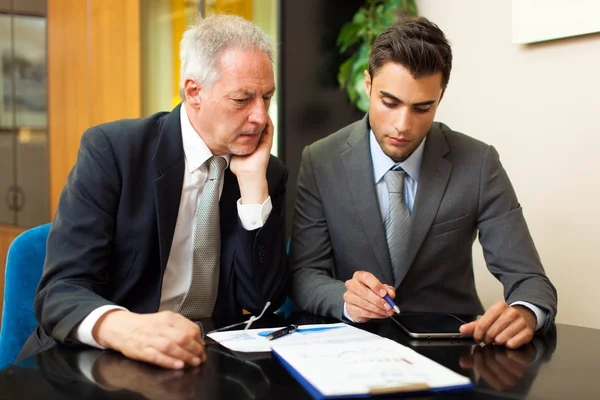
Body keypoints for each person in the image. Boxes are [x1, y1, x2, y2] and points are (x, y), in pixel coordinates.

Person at [19, 15, 289, 369]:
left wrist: (253, 190)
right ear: (194, 92)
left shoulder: (266, 172)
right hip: (99, 361)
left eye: (266, 97)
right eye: (242, 99)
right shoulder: (114, 151)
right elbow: (60, 292)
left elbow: (261, 302)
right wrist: (126, 327)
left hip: (200, 363)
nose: (260, 116)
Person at [290, 16, 557, 349]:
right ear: (368, 84)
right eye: (390, 103)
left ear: (440, 97)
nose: (403, 125)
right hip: (356, 349)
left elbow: (531, 280)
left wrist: (525, 313)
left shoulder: (478, 163)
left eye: (422, 108)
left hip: (452, 351)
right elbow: (304, 275)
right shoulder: (321, 160)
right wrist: (346, 299)